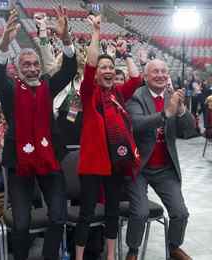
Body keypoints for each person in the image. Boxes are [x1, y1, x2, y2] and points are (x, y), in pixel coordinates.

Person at [0, 6, 77, 260]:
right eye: (26, 64)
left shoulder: (48, 86)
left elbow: (70, 70)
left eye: (35, 64)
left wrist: (66, 39)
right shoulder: (9, 90)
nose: (31, 68)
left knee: (59, 217)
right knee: (21, 223)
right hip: (19, 165)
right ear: (17, 69)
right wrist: (5, 41)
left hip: (50, 162)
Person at [74, 15, 142, 260]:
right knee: (87, 214)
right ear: (96, 73)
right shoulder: (89, 93)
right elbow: (90, 64)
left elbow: (135, 79)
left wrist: (126, 55)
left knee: (113, 212)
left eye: (111, 68)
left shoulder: (117, 94)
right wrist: (96, 32)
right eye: (104, 68)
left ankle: (111, 256)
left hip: (116, 163)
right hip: (93, 165)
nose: (108, 71)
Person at [125, 59, 195, 260]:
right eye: (155, 71)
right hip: (140, 167)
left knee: (180, 213)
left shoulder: (172, 97)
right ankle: (133, 250)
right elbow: (136, 124)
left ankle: (173, 248)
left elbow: (189, 130)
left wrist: (180, 110)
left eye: (164, 71)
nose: (161, 75)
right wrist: (166, 113)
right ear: (145, 77)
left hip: (165, 169)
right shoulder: (137, 97)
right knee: (140, 213)